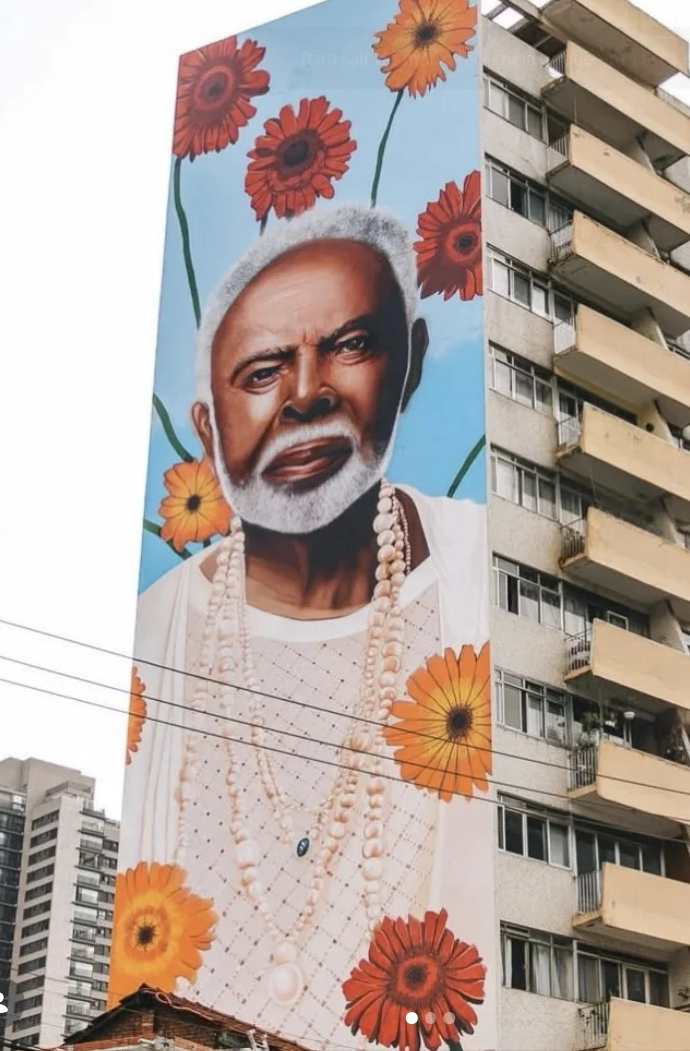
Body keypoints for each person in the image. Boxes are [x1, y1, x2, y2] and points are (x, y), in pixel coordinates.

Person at [118, 204, 492, 1048]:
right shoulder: (158, 631)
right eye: (260, 372)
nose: (306, 395)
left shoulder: (485, 572)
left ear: (413, 363)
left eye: (350, 346)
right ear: (208, 430)